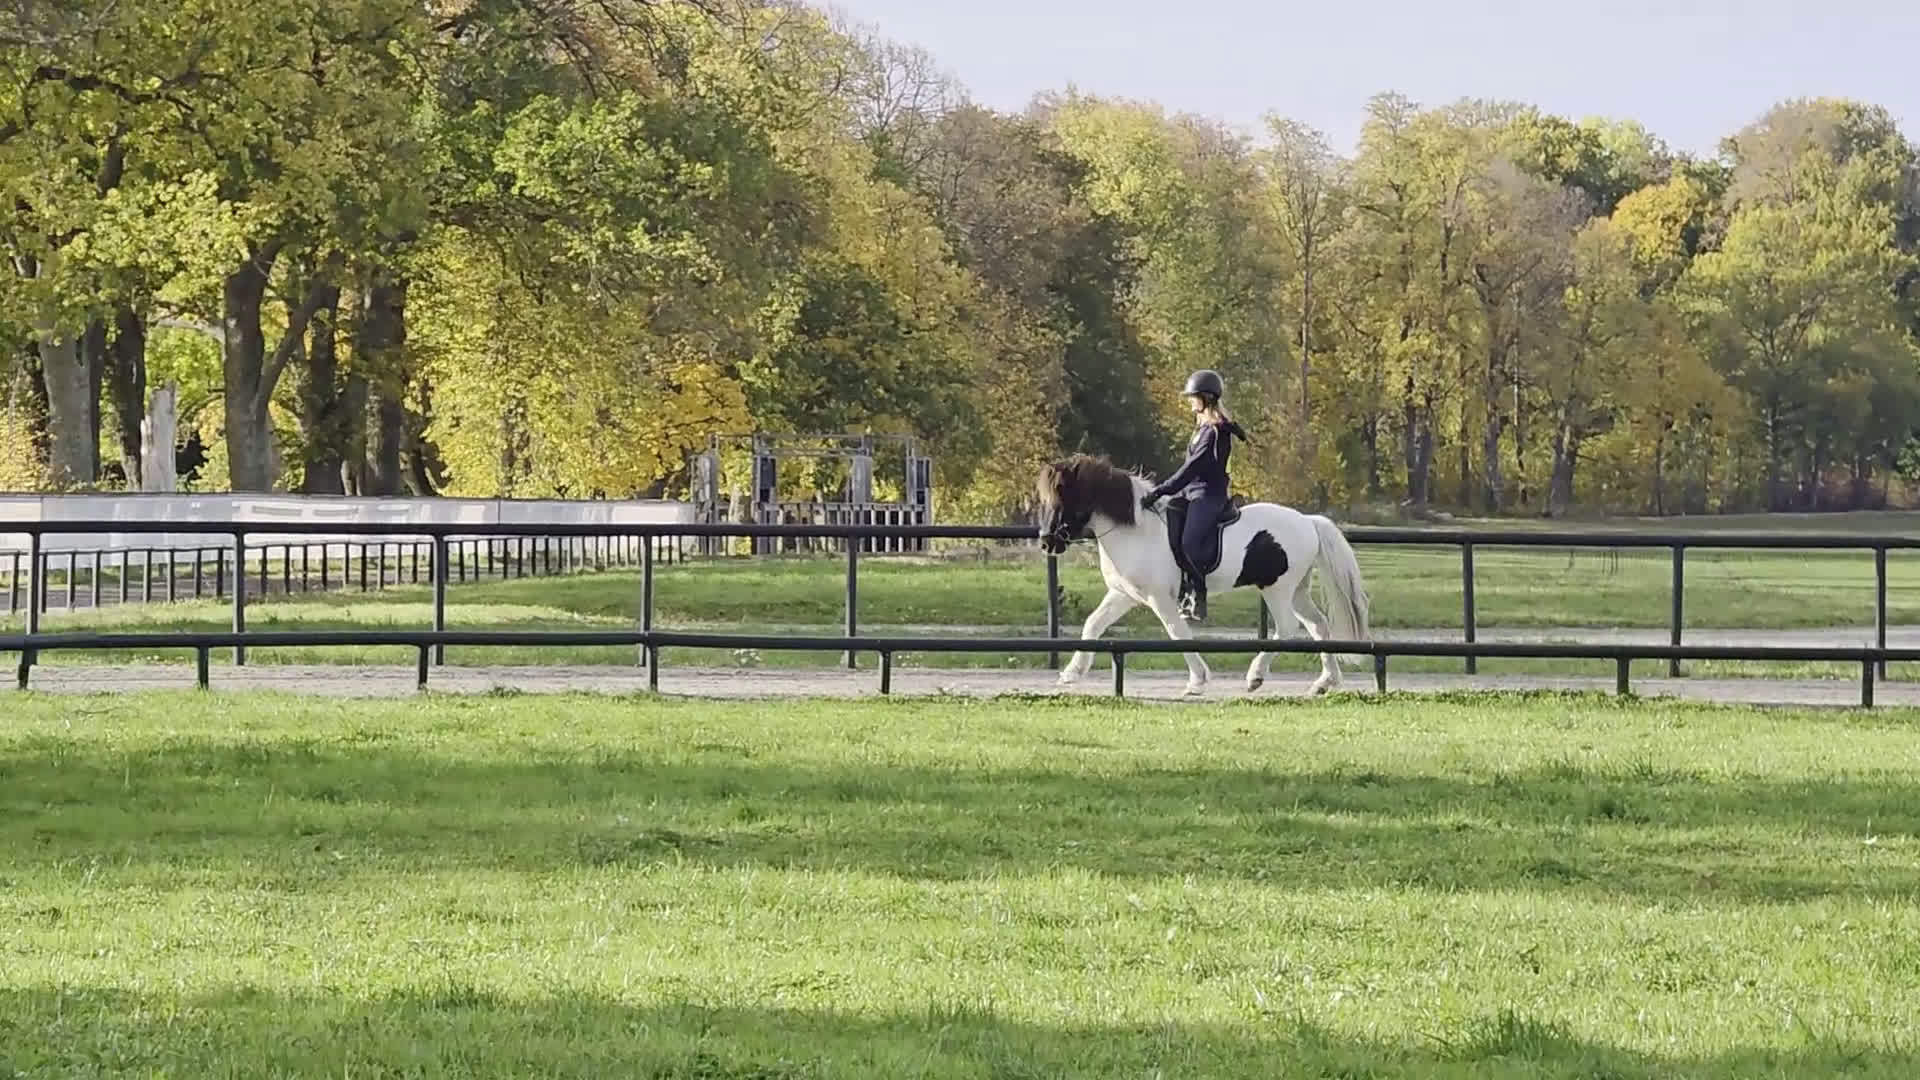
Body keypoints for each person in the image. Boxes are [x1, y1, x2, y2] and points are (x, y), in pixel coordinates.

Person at [1140, 369, 1249, 621]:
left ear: (1206, 398)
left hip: (1210, 495)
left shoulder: (1215, 432)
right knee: (1170, 527)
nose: (1190, 403)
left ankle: (1199, 596)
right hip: (1191, 494)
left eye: (1193, 398)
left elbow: (1192, 468)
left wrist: (1160, 490)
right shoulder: (1201, 429)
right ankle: (1182, 590)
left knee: (1189, 542)